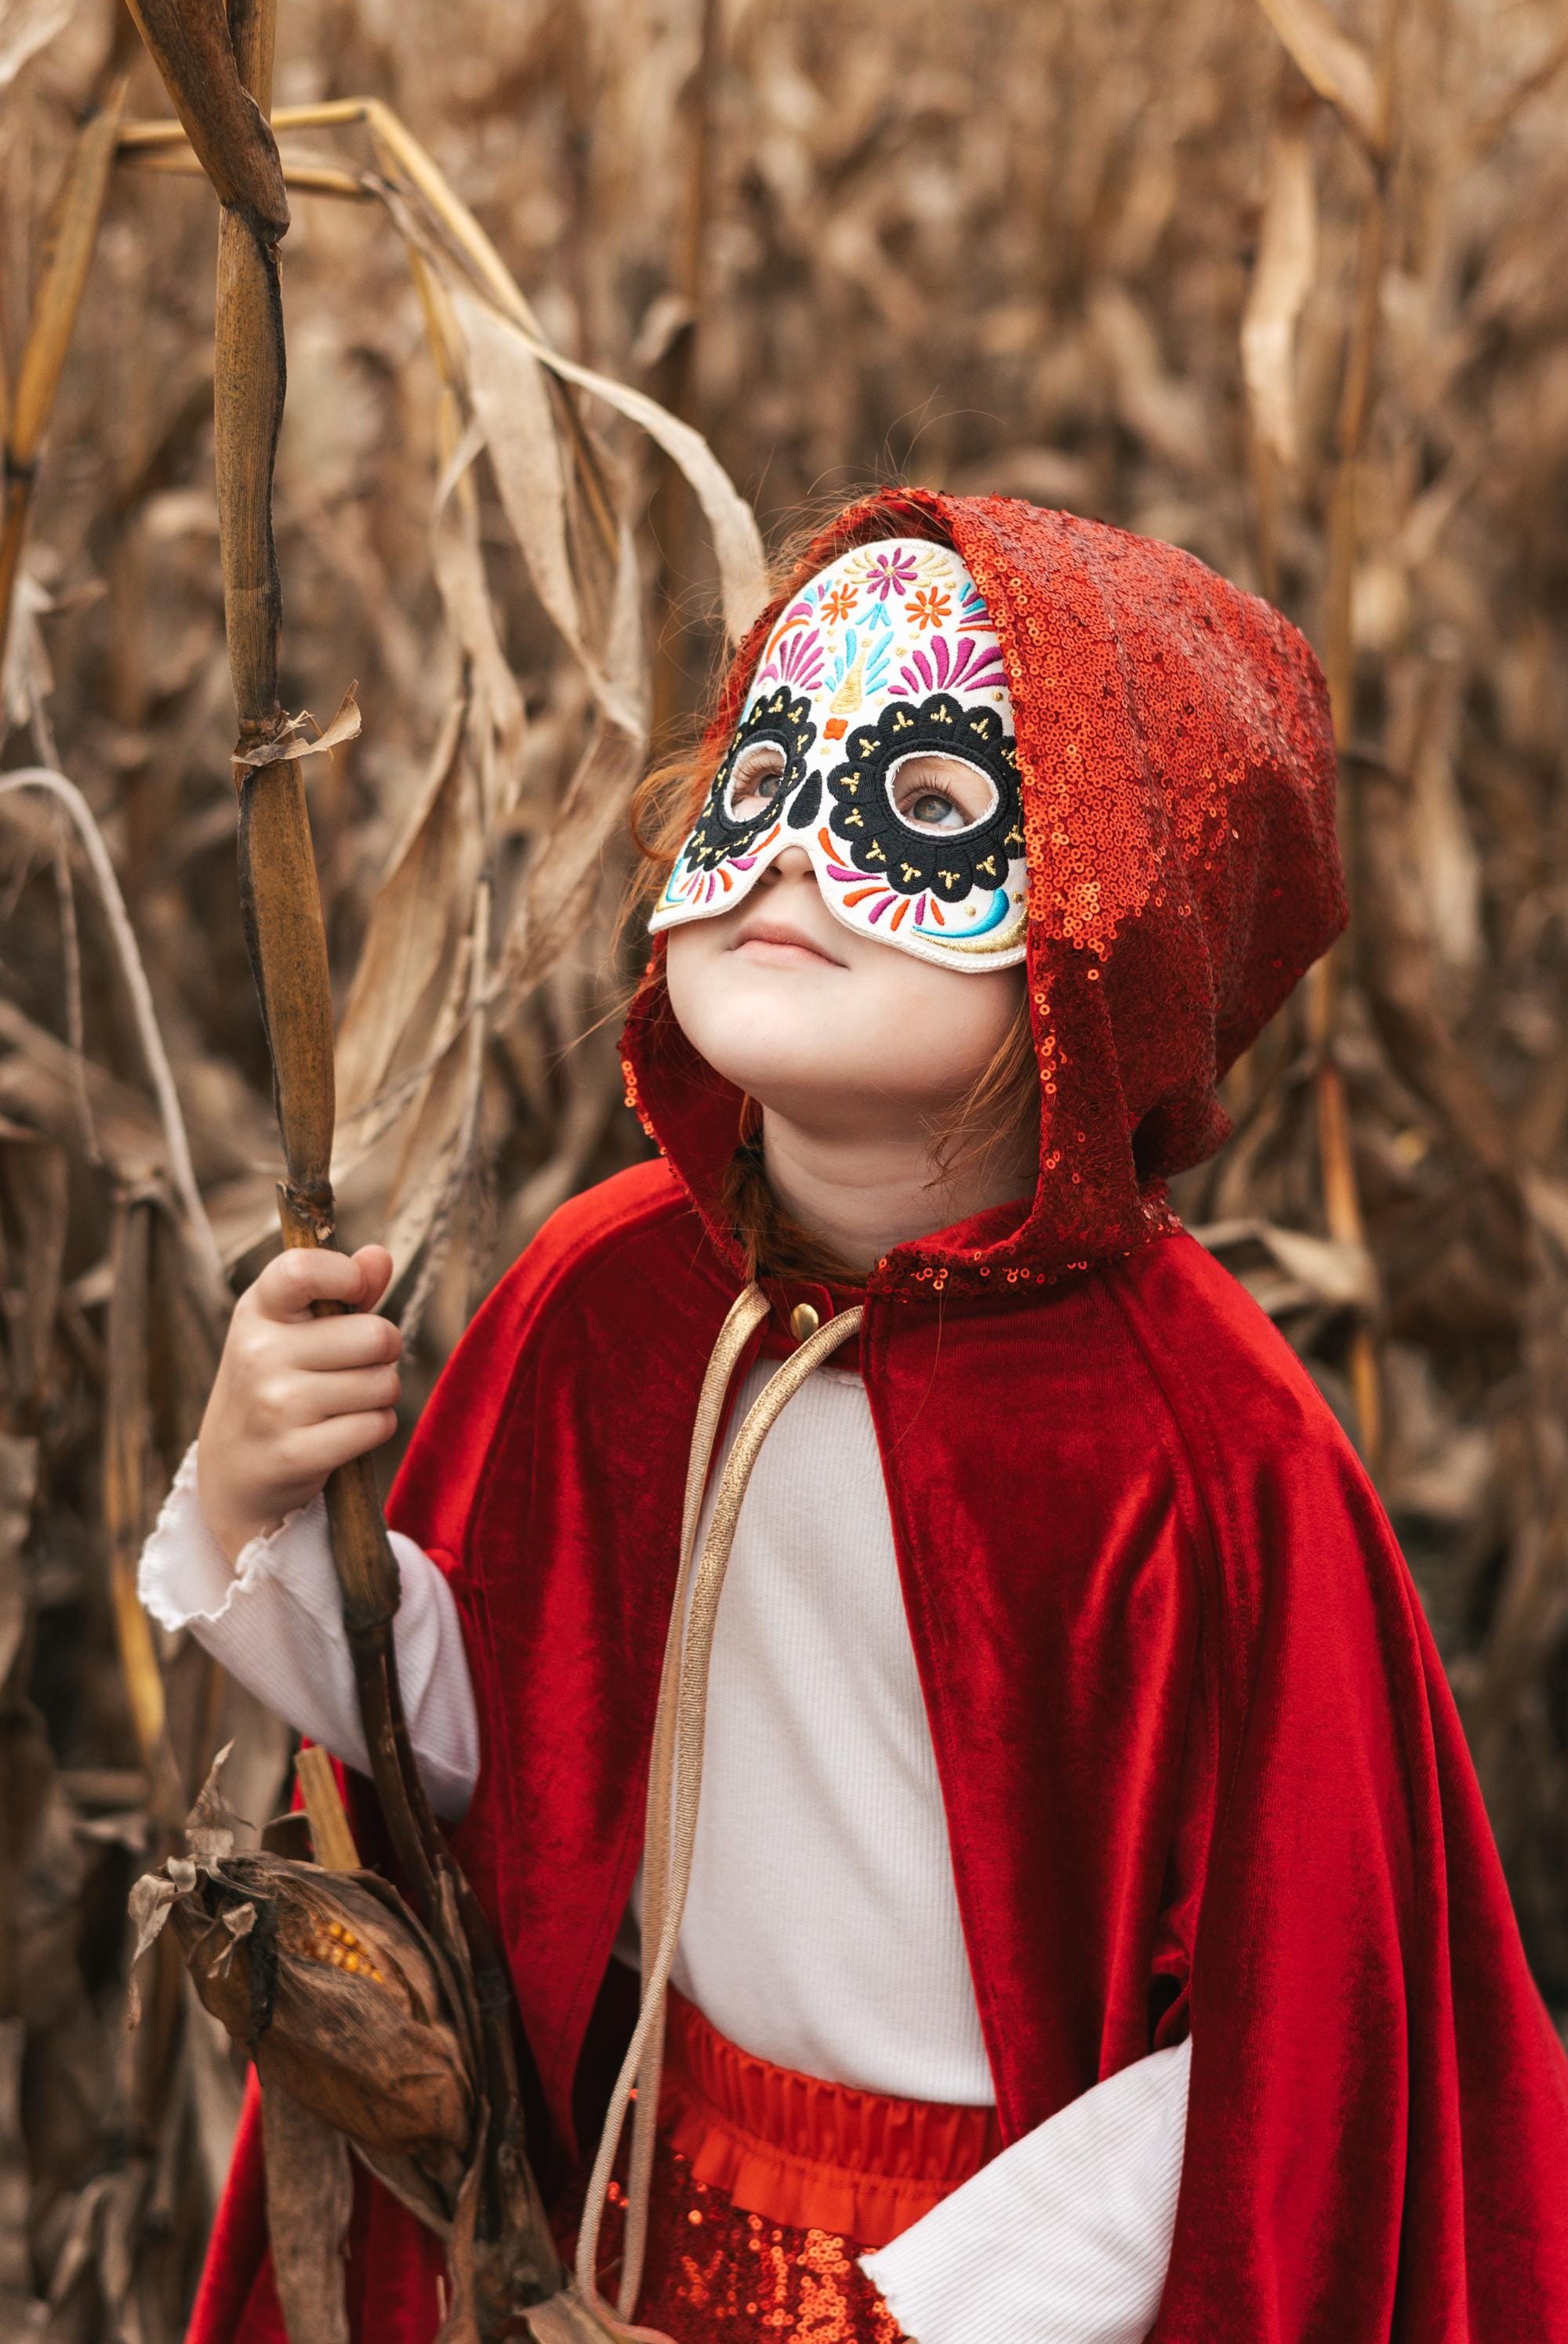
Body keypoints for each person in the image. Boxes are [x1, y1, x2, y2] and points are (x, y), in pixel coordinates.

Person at [140, 488, 1568, 2344]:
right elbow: (499, 1772)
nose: (792, 853)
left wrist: (973, 2302)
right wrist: (259, 1496)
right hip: (635, 2225)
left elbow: (1300, 2027)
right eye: (759, 772)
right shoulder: (614, 1299)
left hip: (997, 2284)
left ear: (1110, 922)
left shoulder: (1199, 1454)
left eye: (931, 803)